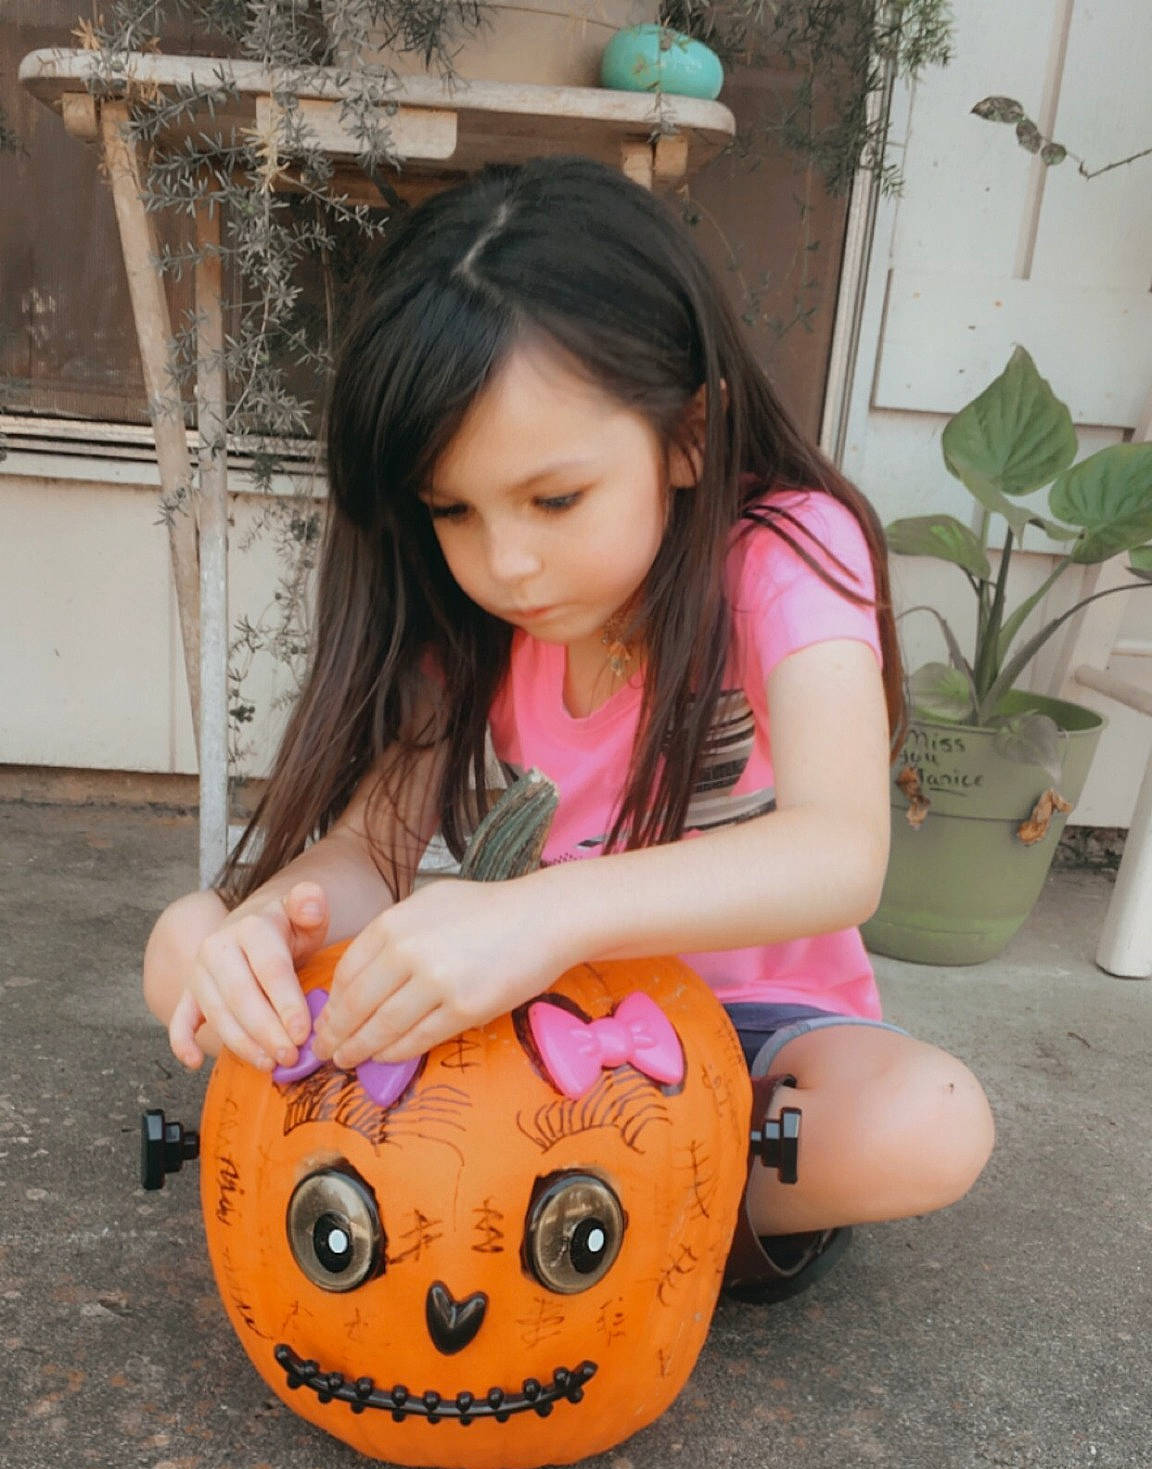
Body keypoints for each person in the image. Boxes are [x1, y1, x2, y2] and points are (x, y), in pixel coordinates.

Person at [143, 156, 994, 1302]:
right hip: (529, 1044)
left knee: (927, 1120)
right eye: (453, 510)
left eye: (555, 499)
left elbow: (842, 851)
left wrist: (540, 914)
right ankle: (568, 1227)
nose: (509, 562)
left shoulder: (784, 552)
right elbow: (370, 851)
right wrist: (266, 927)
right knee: (185, 944)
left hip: (758, 1039)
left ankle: (560, 1216)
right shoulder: (475, 626)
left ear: (688, 435)